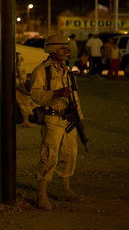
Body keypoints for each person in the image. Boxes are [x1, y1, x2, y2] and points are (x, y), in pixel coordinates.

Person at [29, 35, 86, 210]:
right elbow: (35, 95)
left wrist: (80, 118)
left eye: (66, 48)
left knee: (70, 154)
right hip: (52, 118)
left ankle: (66, 190)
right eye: (62, 48)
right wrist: (55, 93)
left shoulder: (67, 70)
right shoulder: (42, 70)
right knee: (49, 155)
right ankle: (42, 195)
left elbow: (73, 95)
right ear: (52, 50)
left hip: (69, 119)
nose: (66, 51)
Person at [16, 52, 36, 127]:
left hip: (9, 82)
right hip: (17, 82)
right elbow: (21, 69)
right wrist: (22, 81)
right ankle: (26, 121)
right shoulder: (17, 56)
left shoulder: (4, 54)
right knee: (23, 101)